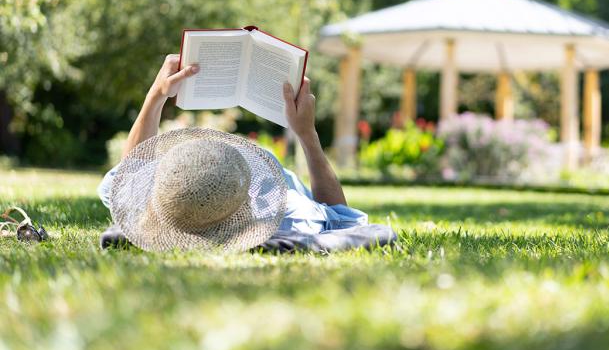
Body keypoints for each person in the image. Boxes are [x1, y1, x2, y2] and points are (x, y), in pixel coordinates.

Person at [98, 54, 396, 253]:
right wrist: (307, 134)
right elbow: (343, 218)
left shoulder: (155, 188)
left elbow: (133, 165)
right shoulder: (288, 213)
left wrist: (156, 95)